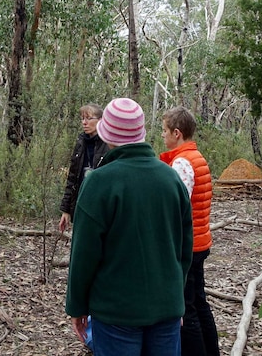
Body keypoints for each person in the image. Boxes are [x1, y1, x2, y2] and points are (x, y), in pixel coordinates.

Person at [65, 98, 193, 356]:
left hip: (116, 312)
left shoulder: (99, 182)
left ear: (106, 134)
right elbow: (184, 250)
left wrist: (77, 307)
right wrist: (176, 298)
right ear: (141, 133)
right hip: (165, 308)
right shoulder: (170, 179)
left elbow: (84, 254)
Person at [160, 106, 220, 356]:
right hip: (199, 241)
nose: (162, 136)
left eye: (164, 131)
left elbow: (177, 208)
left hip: (189, 246)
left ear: (177, 133)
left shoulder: (183, 163)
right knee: (199, 302)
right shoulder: (196, 157)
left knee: (188, 309)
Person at [58, 103, 109, 234]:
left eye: (88, 118)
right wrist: (66, 210)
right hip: (81, 202)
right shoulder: (81, 143)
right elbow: (72, 178)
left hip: (101, 207)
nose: (84, 122)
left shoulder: (109, 145)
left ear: (100, 120)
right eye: (82, 118)